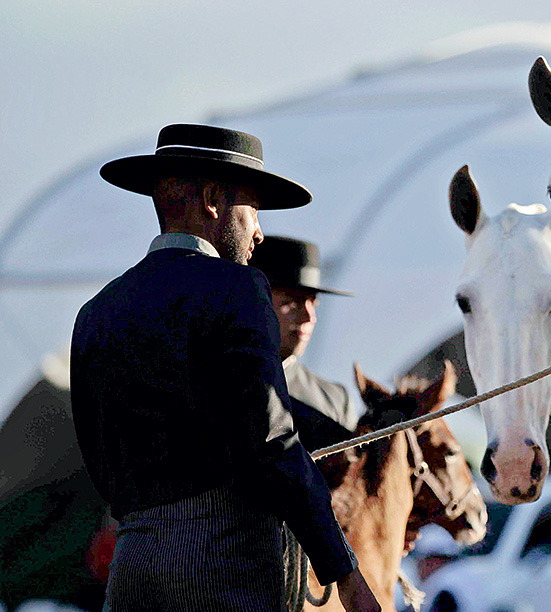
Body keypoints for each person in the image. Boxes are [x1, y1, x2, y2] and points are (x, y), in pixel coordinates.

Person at [70, 123, 381, 612]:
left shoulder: (96, 312)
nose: (259, 230)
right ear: (213, 199)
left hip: (131, 566)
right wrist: (342, 568)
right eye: (253, 208)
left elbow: (100, 464)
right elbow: (274, 443)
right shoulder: (238, 290)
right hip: (222, 568)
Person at [250, 235, 357, 451]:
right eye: (292, 303)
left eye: (313, 304)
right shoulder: (216, 382)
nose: (309, 317)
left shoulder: (335, 401)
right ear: (256, 301)